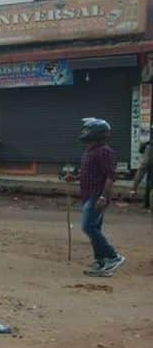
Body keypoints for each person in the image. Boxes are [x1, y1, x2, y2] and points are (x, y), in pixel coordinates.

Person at [72, 118, 125, 277]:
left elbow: (110, 176)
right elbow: (88, 173)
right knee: (95, 228)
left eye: (87, 130)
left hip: (96, 195)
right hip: (88, 195)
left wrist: (103, 197)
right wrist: (74, 177)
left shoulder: (104, 151)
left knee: (88, 227)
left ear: (97, 133)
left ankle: (113, 256)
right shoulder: (90, 150)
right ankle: (101, 262)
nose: (84, 133)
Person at [131, 140, 152, 208]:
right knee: (149, 182)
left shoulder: (148, 143)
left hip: (147, 158)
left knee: (145, 178)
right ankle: (148, 204)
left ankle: (133, 190)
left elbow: (141, 150)